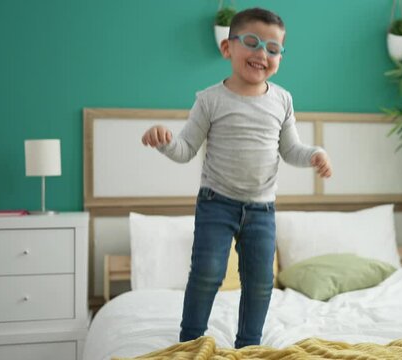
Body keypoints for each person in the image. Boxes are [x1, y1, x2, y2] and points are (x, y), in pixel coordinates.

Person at [141, 7, 332, 348]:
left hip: (262, 210)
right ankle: (190, 342)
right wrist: (166, 142)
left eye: (273, 49)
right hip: (217, 204)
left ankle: (249, 346)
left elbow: (291, 151)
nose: (262, 54)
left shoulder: (282, 101)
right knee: (207, 274)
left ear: (280, 57)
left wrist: (315, 154)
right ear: (228, 48)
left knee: (260, 281)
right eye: (252, 43)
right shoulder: (210, 100)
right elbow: (185, 149)